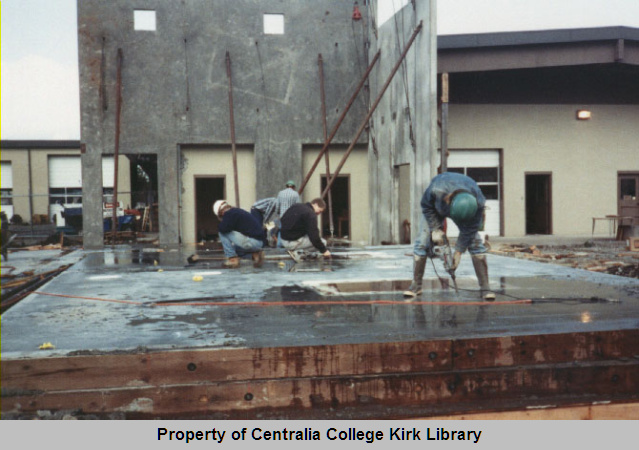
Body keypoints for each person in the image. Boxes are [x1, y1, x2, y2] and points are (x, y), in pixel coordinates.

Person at [403, 172, 495, 300]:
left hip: (467, 214)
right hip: (435, 209)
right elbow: (426, 206)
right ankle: (416, 286)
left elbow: (470, 228)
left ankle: (485, 288)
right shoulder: (436, 189)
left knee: (476, 244)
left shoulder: (478, 202)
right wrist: (435, 229)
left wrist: (458, 251)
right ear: (448, 202)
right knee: (422, 242)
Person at [213, 200, 265, 268]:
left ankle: (232, 259)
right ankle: (255, 256)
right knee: (234, 249)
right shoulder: (236, 212)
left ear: (221, 212)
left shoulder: (229, 213)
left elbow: (222, 228)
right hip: (259, 243)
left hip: (252, 242)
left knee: (222, 233)